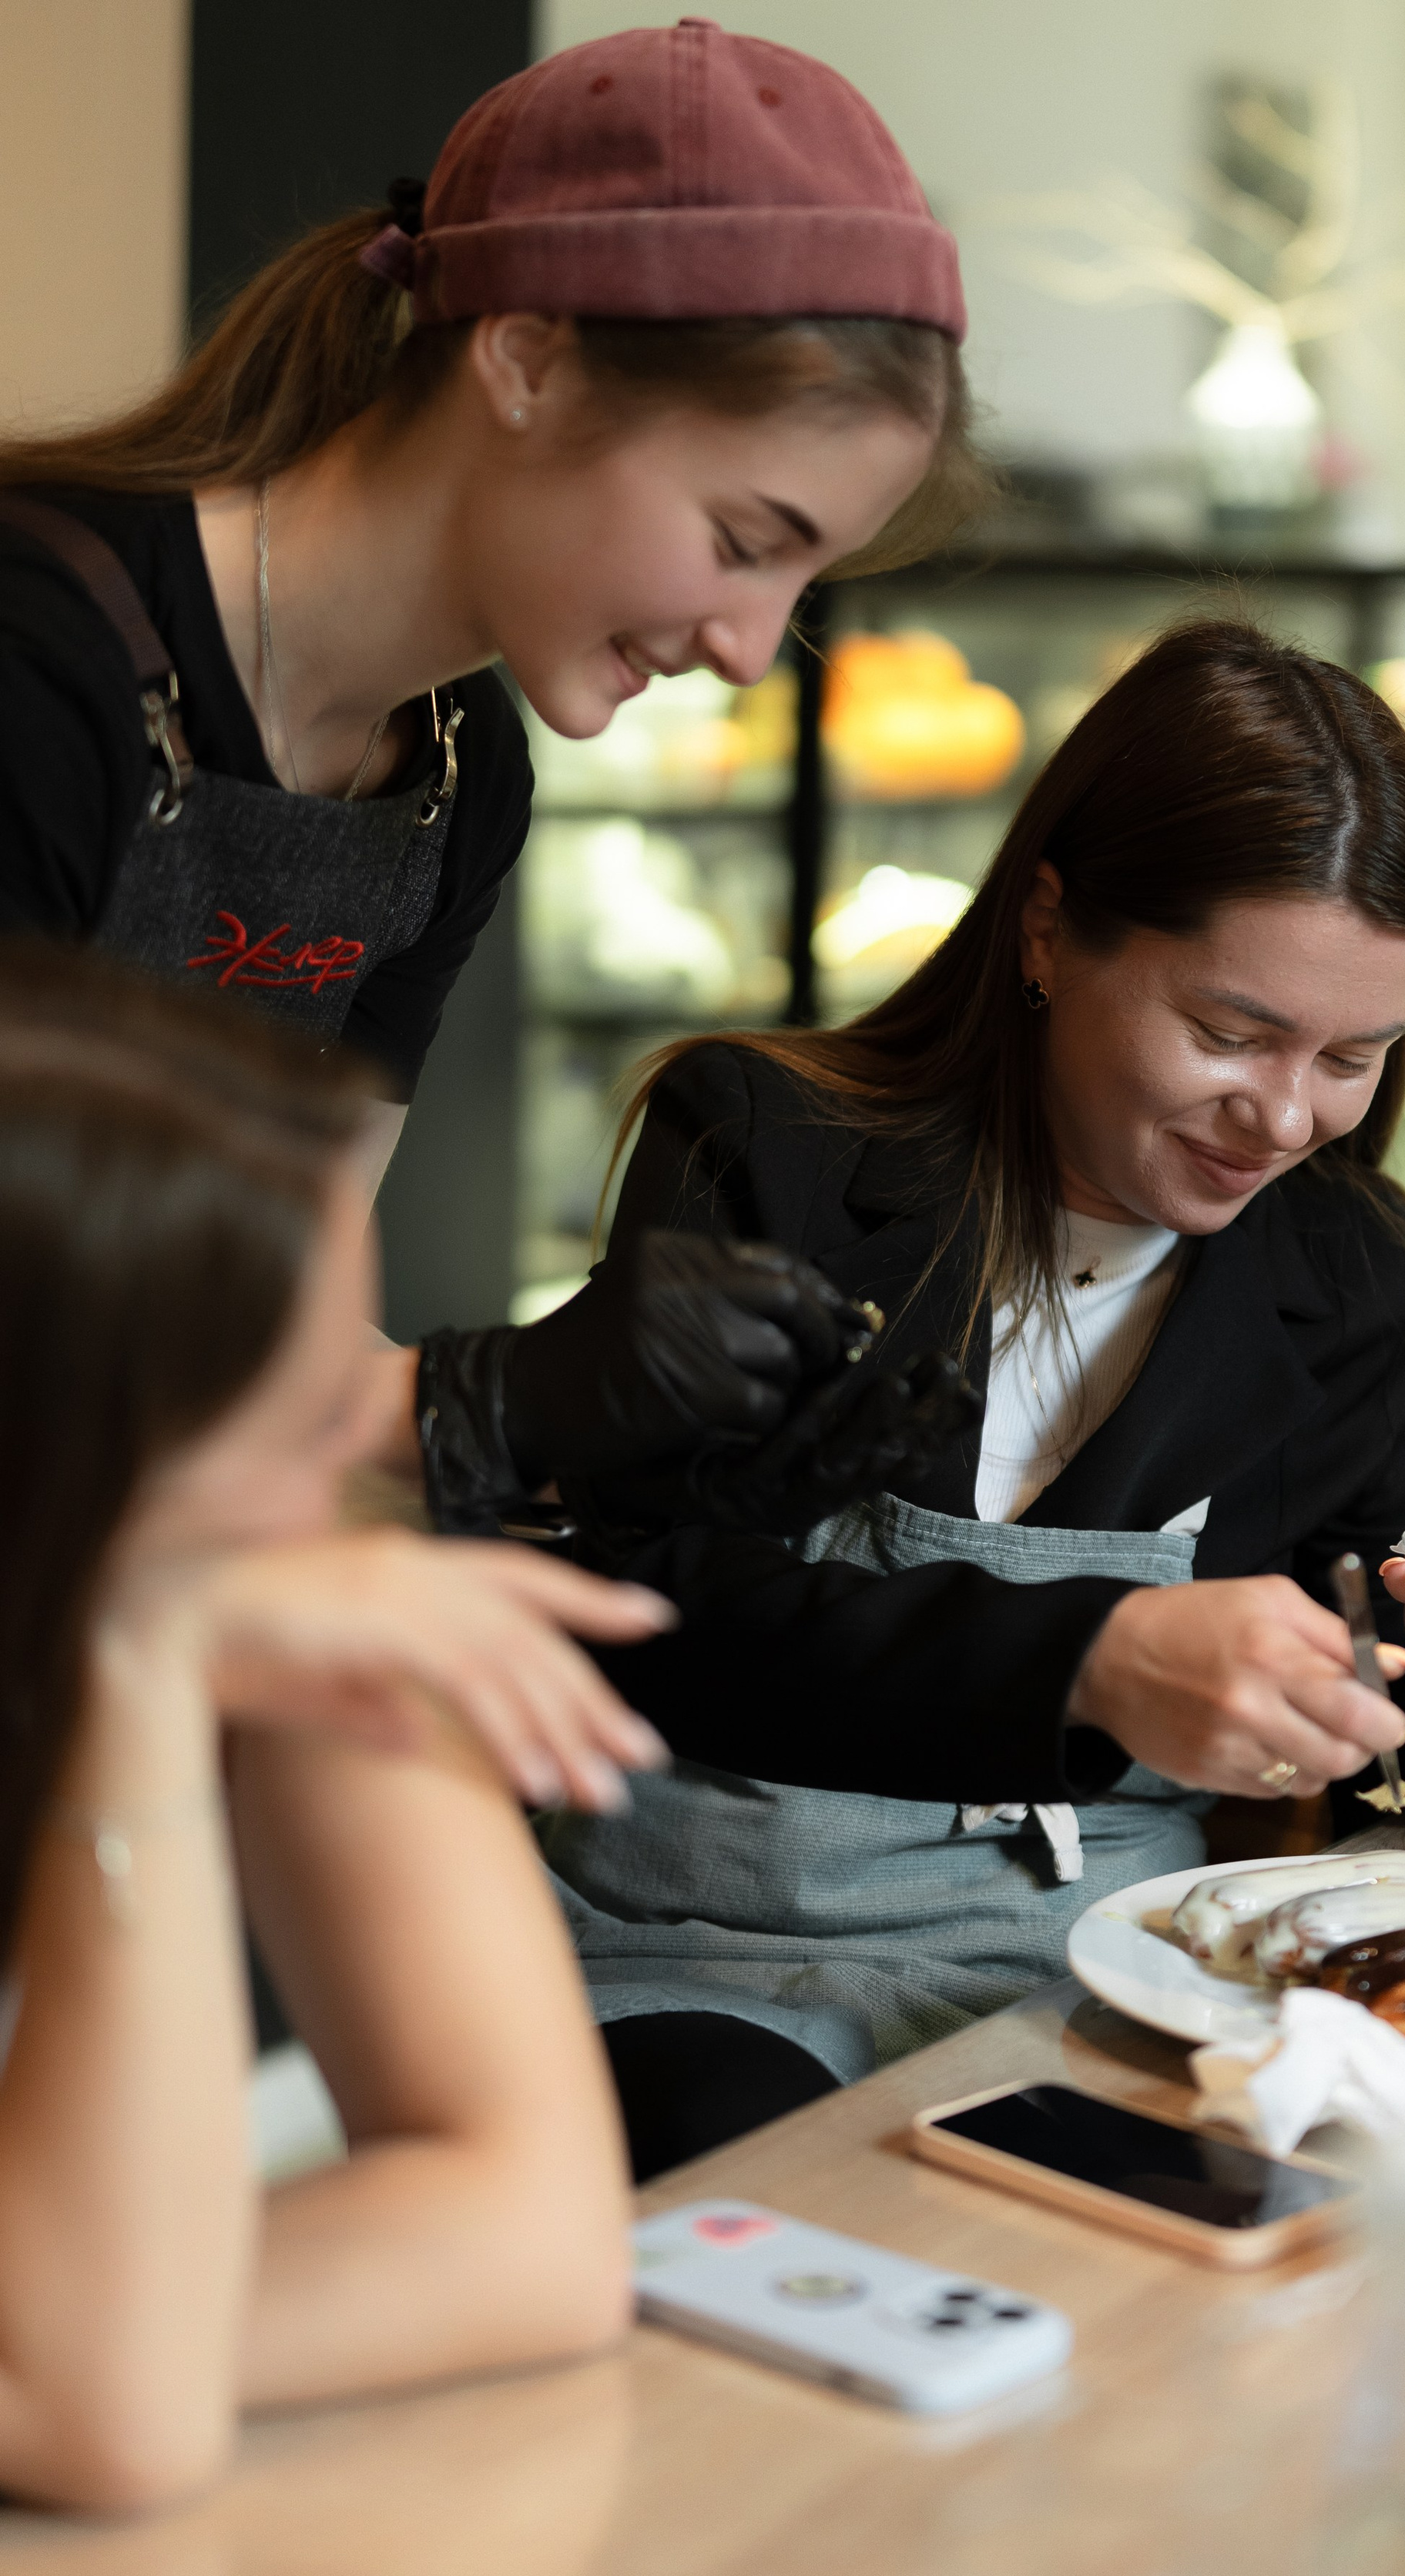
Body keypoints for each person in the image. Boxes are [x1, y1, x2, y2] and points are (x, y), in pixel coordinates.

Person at [534, 620, 1405, 2069]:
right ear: (1050, 928)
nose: (1286, 1117)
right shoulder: (768, 1151)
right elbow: (640, 1600)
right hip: (704, 1960)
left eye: (1352, 1056)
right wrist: (1089, 1658)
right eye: (1230, 1032)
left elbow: (1356, 1664)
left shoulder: (1338, 1267)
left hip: (1115, 1975)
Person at [0, 18, 978, 1544]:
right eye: (740, 541)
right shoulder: (37, 662)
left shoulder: (454, 781)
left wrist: (599, 1454)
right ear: (525, 356)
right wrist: (480, 1403)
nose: (747, 650)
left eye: (806, 582)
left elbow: (278, 1342)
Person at [0, 942, 683, 2513]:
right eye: (315, 1422)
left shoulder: (297, 1598)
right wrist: (145, 1652)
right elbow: (120, 2419)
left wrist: (108, 2341)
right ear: (83, 1460)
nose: (365, 1496)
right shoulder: (182, 1603)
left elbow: (539, 2237)